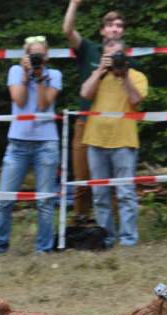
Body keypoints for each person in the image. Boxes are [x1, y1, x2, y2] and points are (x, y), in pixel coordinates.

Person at [0, 36, 62, 255]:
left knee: (45, 200)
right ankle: (1, 246)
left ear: (47, 56)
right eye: (32, 54)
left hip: (46, 143)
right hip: (18, 143)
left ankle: (43, 248)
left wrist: (40, 77)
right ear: (24, 56)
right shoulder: (15, 71)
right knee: (4, 198)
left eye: (40, 55)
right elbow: (19, 101)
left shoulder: (55, 75)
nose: (36, 58)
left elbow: (42, 105)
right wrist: (26, 73)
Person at [80, 38, 148, 248]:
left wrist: (124, 75)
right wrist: (100, 69)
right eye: (110, 55)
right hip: (96, 140)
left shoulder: (137, 76)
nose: (114, 59)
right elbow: (85, 94)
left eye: (118, 54)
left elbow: (136, 101)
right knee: (100, 195)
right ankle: (106, 238)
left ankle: (128, 239)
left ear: (125, 55)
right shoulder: (98, 76)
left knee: (125, 193)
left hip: (124, 141)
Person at [63, 2, 126, 224]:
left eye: (119, 25)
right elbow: (67, 31)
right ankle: (81, 222)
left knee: (115, 181)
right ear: (102, 31)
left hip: (115, 126)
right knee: (82, 179)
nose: (114, 29)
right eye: (109, 25)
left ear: (123, 31)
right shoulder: (89, 49)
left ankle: (113, 227)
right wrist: (74, 4)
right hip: (86, 122)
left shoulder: (126, 59)